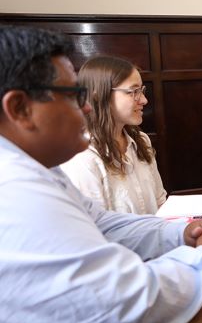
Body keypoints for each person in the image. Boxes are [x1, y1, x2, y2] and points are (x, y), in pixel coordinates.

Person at [0, 25, 202, 323]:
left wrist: (185, 234)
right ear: (20, 109)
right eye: (73, 95)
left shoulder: (37, 171)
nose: (87, 107)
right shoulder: (14, 192)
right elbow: (123, 303)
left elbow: (103, 223)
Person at [60, 55, 166, 214]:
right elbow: (96, 226)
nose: (144, 100)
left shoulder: (141, 141)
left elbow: (160, 203)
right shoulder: (82, 157)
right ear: (99, 95)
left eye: (141, 90)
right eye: (133, 91)